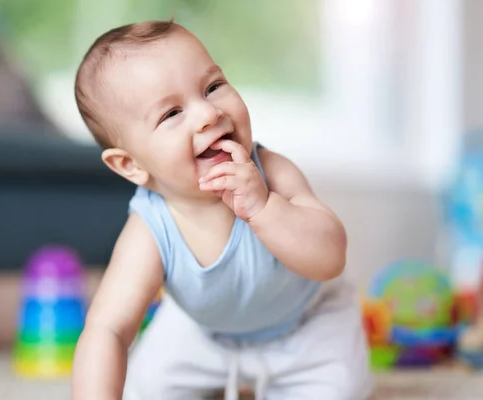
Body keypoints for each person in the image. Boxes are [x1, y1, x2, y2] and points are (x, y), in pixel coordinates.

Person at [71, 19, 372, 400]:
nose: (207, 114)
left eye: (213, 87)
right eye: (171, 114)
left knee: (341, 390)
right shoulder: (151, 227)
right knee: (144, 387)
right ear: (131, 165)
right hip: (202, 333)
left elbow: (330, 258)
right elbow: (107, 329)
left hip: (304, 324)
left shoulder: (272, 170)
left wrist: (264, 208)